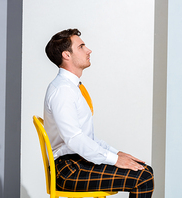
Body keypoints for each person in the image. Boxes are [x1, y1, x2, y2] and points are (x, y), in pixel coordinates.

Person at [44, 28, 154, 198]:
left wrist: (115, 153)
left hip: (77, 161)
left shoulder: (71, 87)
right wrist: (115, 159)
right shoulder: (63, 91)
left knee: (145, 170)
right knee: (143, 177)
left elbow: (86, 137)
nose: (89, 50)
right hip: (68, 170)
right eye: (81, 47)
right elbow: (74, 139)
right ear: (67, 55)